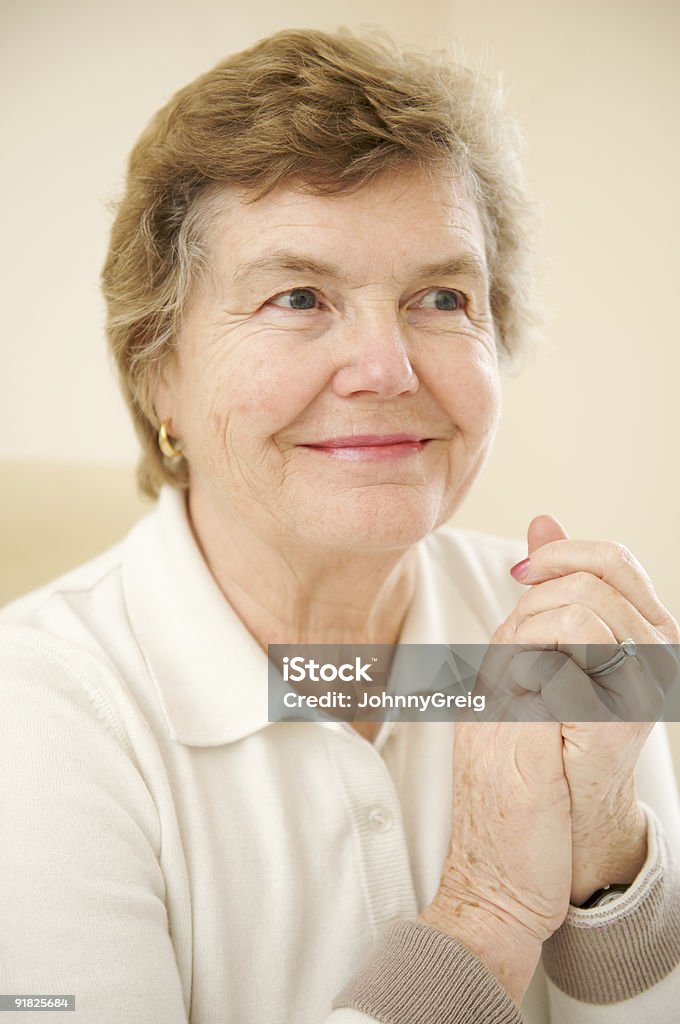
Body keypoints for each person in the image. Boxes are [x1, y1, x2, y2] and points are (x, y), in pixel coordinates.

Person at [1, 27, 679, 1024]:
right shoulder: (38, 712)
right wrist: (484, 915)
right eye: (299, 297)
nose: (388, 368)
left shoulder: (559, 626)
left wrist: (610, 858)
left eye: (440, 297)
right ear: (158, 371)